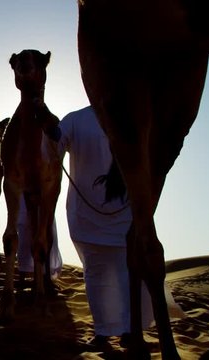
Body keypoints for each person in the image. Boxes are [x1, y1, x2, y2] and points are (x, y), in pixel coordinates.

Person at [46, 105, 157, 348]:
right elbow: (54, 146)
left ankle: (131, 329)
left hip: (126, 212)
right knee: (95, 275)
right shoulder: (75, 120)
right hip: (86, 214)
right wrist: (47, 126)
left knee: (128, 273)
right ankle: (103, 331)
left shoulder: (133, 117)